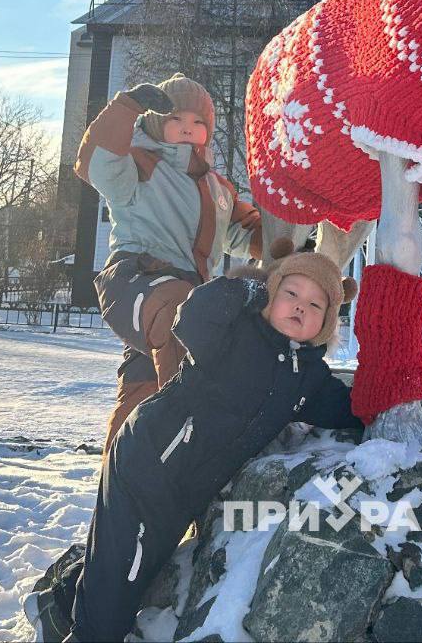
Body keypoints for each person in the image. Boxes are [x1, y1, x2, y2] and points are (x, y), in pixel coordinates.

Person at [24, 240, 363, 643]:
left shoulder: (306, 377)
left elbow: (349, 408)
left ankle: (55, 608)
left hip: (184, 490)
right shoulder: (235, 331)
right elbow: (191, 318)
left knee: (137, 568)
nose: (300, 306)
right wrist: (245, 288)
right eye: (291, 293)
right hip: (149, 461)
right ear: (270, 294)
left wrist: (388, 393)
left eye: (315, 304)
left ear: (326, 323)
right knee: (118, 583)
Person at [74, 73, 264, 446]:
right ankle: (195, 424)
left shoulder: (218, 188)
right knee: (181, 312)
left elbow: (251, 234)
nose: (187, 128)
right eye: (176, 119)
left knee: (142, 389)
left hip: (187, 295)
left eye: (198, 122)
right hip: (135, 279)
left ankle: (120, 470)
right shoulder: (137, 164)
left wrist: (298, 233)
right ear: (156, 122)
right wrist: (127, 106)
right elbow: (96, 163)